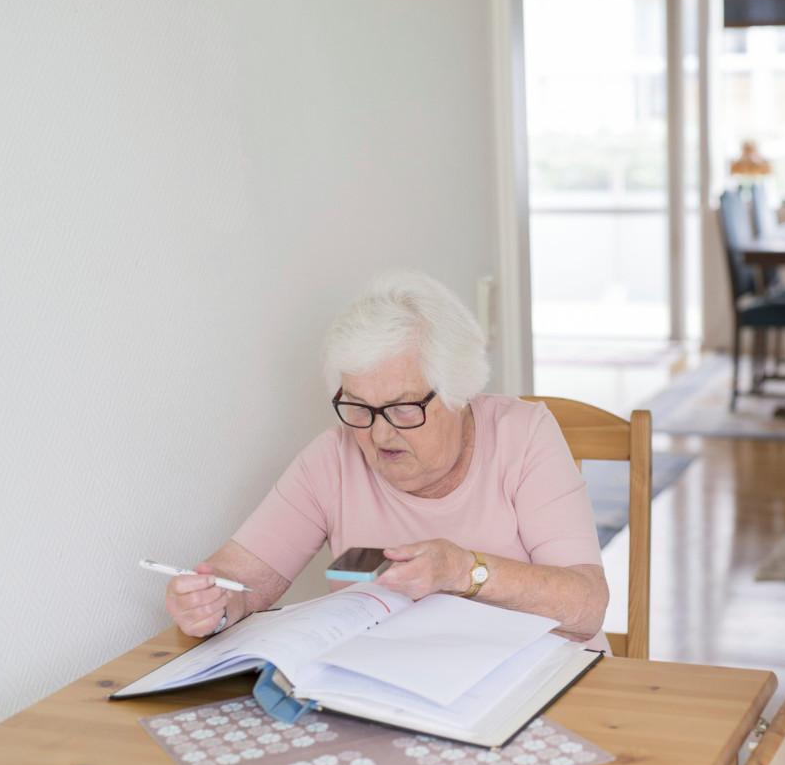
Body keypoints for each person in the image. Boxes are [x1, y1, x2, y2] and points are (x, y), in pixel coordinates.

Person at [164, 271, 610, 650]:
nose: (378, 434)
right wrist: (213, 604)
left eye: (402, 408)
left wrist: (462, 570)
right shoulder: (332, 460)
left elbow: (587, 605)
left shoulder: (524, 434)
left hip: (540, 691)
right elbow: (240, 580)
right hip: (395, 699)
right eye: (358, 407)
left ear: (459, 392)